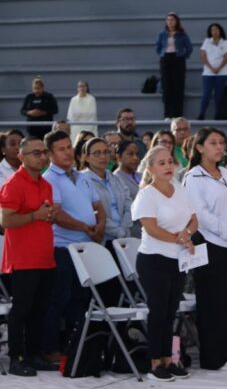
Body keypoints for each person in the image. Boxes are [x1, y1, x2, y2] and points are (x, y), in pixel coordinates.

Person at [183, 127, 227, 371]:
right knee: (214, 302)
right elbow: (201, 214)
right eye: (213, 143)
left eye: (222, 142)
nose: (220, 147)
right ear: (200, 147)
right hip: (212, 245)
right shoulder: (193, 178)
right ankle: (215, 357)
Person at [132, 146, 197, 381]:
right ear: (150, 168)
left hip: (177, 258)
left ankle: (170, 359)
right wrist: (178, 239)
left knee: (171, 311)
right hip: (153, 259)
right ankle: (155, 362)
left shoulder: (180, 189)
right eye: (161, 163)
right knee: (158, 311)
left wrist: (187, 233)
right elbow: (150, 228)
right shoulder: (147, 195)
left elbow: (193, 219)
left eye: (170, 161)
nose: (168, 166)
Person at [41, 131, 106, 363]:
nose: (68, 152)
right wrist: (84, 227)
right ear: (49, 154)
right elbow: (56, 214)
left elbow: (98, 205)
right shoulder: (49, 178)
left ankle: (76, 346)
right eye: (61, 148)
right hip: (63, 248)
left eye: (69, 147)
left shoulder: (82, 176)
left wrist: (99, 225)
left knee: (81, 299)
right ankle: (50, 349)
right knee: (59, 299)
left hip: (86, 247)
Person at [0, 136, 57, 376]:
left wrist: (48, 215)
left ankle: (34, 354)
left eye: (44, 152)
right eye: (36, 153)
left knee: (40, 308)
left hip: (44, 255)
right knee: (22, 309)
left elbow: (44, 215)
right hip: (23, 257)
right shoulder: (14, 184)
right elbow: (5, 220)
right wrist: (35, 216)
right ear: (22, 157)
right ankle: (16, 357)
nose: (42, 156)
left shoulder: (45, 184)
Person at [80, 138, 134, 243]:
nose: (103, 156)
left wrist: (125, 227)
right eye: (97, 153)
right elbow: (93, 213)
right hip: (102, 240)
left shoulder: (116, 178)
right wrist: (118, 232)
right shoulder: (82, 180)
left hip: (124, 236)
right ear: (86, 157)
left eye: (106, 152)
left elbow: (129, 204)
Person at [155, 13, 193, 119]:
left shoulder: (182, 33)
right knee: (167, 87)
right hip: (166, 59)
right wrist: (163, 54)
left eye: (172, 20)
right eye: (168, 20)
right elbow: (158, 47)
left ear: (176, 21)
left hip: (178, 59)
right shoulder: (162, 33)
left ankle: (178, 115)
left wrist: (183, 56)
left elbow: (189, 47)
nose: (170, 22)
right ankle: (167, 114)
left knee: (178, 87)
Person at [197, 23, 227, 120]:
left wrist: (219, 68)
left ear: (220, 31)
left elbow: (226, 57)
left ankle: (218, 115)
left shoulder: (225, 42)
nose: (214, 32)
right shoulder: (206, 41)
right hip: (208, 73)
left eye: (216, 29)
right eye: (212, 30)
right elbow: (203, 56)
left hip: (222, 73)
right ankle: (202, 114)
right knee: (206, 94)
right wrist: (211, 67)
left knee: (219, 95)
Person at [112, 140, 142, 238]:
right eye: (130, 154)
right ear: (119, 156)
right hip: (131, 231)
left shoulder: (143, 176)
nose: (135, 158)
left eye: (137, 154)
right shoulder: (115, 179)